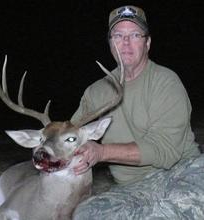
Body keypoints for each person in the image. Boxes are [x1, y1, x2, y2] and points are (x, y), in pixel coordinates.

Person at [71, 5, 204, 220]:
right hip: (133, 189)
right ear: (110, 44)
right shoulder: (95, 92)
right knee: (86, 214)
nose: (125, 43)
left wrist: (101, 152)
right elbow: (70, 137)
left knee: (181, 205)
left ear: (147, 42)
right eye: (118, 35)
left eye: (134, 35)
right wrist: (50, 147)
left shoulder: (165, 81)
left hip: (182, 173)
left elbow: (165, 151)